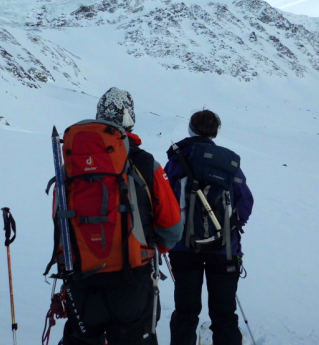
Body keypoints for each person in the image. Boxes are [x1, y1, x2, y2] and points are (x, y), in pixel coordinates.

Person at [61, 87, 183, 345]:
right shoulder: (145, 163)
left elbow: (60, 220)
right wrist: (154, 247)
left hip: (82, 278)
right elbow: (172, 226)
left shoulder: (71, 165)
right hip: (133, 278)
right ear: (129, 118)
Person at [165, 109, 254, 345]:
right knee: (224, 315)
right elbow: (245, 201)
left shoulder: (176, 159)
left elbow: (164, 201)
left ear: (190, 129)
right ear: (215, 131)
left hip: (183, 248)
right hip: (224, 250)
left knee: (185, 311)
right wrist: (228, 230)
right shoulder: (228, 161)